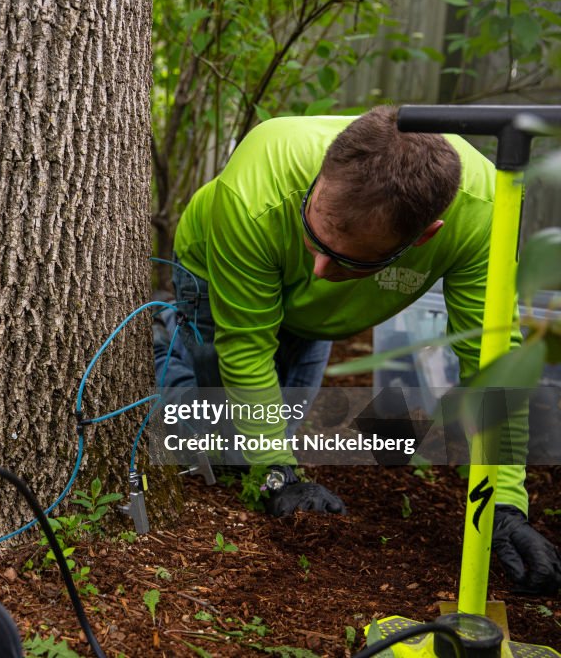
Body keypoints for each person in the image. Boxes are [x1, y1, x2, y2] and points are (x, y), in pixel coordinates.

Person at [161, 104, 561, 595]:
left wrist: (504, 503)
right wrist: (277, 477)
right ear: (324, 168)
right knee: (217, 441)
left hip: (319, 313)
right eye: (315, 234)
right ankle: (163, 347)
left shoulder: (480, 215)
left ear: (426, 236)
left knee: (265, 432)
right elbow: (246, 346)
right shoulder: (255, 187)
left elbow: (493, 360)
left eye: (350, 259)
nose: (320, 272)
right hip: (218, 269)